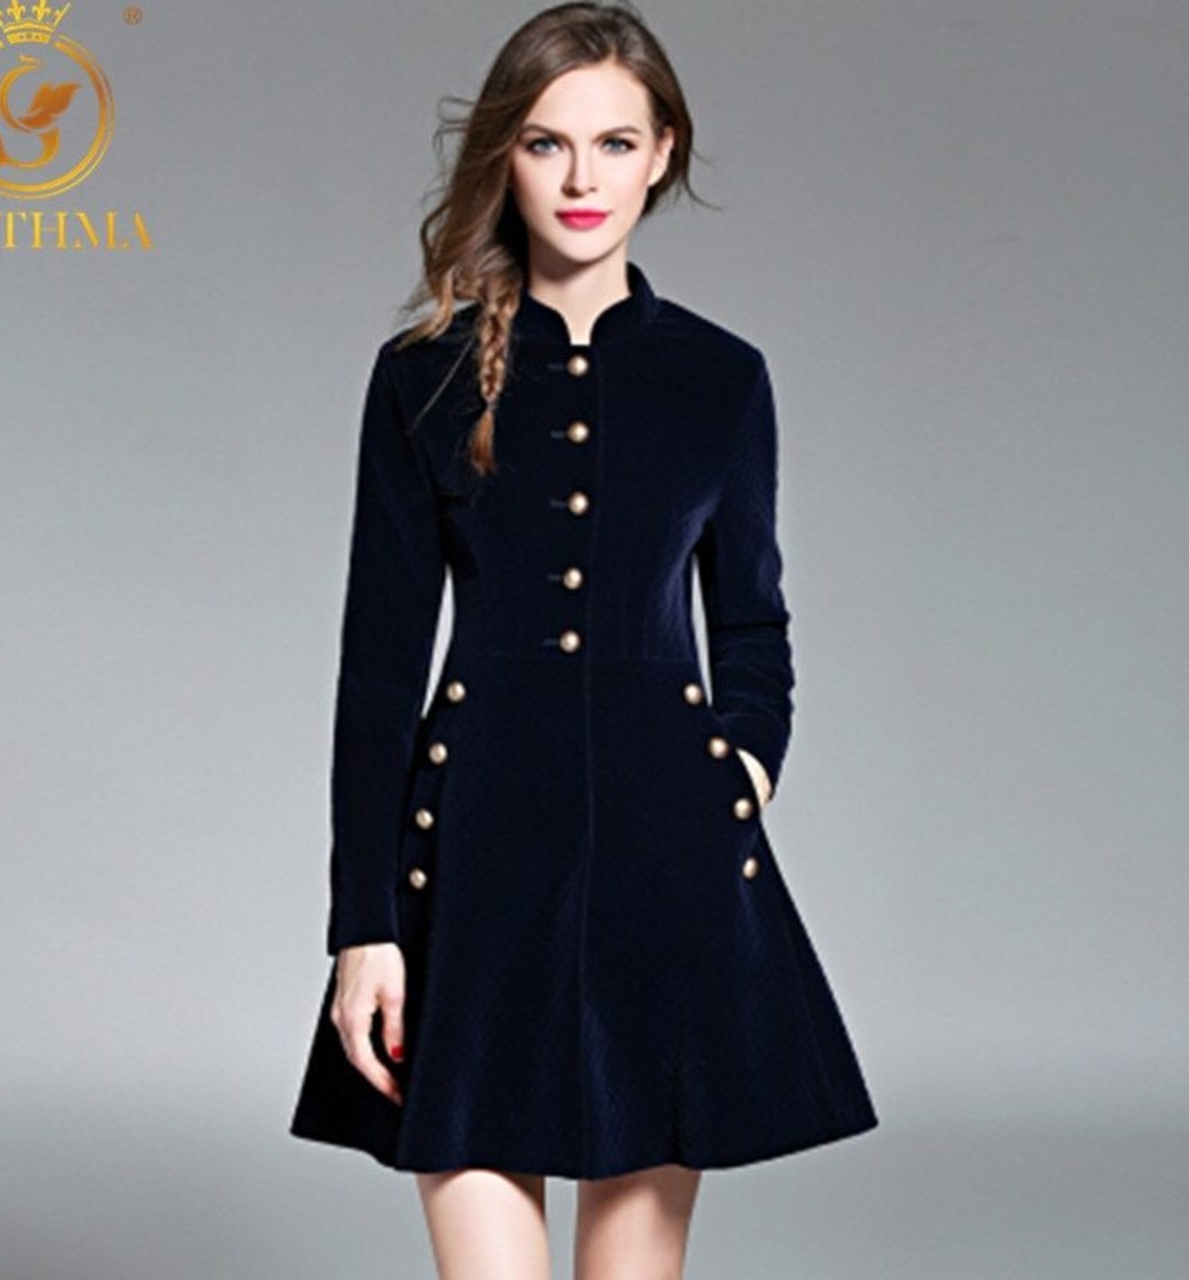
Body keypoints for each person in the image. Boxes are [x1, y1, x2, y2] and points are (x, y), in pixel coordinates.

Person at [290, 3, 878, 1274]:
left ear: (660, 154)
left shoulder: (720, 377)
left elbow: (751, 619)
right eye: (546, 143)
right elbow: (377, 668)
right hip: (471, 862)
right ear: (503, 155)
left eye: (613, 143)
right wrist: (361, 923)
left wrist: (744, 763)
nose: (579, 179)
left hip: (669, 863)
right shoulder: (421, 375)